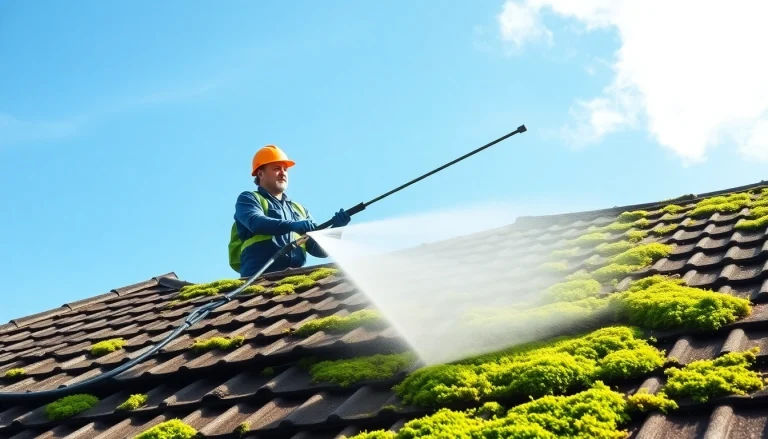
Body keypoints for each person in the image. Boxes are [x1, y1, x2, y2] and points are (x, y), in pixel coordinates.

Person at [230, 145, 351, 277]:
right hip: (258, 277)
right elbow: (255, 222)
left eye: (285, 169)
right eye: (277, 168)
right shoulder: (249, 198)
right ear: (260, 174)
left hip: (294, 277)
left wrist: (336, 229)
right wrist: (292, 225)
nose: (283, 173)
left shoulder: (299, 209)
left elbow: (318, 251)